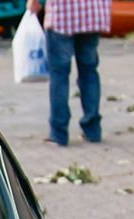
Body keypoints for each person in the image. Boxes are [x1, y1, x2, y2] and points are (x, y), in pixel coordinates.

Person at [26, 0, 109, 147]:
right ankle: (92, 130)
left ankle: (58, 133)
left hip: (62, 16)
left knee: (59, 75)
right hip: (93, 14)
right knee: (89, 72)